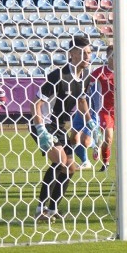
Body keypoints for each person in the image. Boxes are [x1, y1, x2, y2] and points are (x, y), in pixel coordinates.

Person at [30, 35, 93, 221]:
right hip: (42, 124)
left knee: (70, 168)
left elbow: (81, 99)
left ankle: (53, 209)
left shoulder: (86, 76)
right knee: (59, 159)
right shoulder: (58, 75)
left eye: (90, 52)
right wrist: (40, 129)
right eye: (84, 53)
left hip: (60, 126)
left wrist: (90, 121)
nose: (88, 57)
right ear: (73, 54)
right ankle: (39, 209)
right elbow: (35, 104)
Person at [88, 45, 127, 172]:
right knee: (108, 138)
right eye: (112, 55)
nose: (115, 57)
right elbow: (87, 84)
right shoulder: (100, 72)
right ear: (108, 57)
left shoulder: (125, 73)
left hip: (122, 111)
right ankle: (105, 163)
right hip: (105, 110)